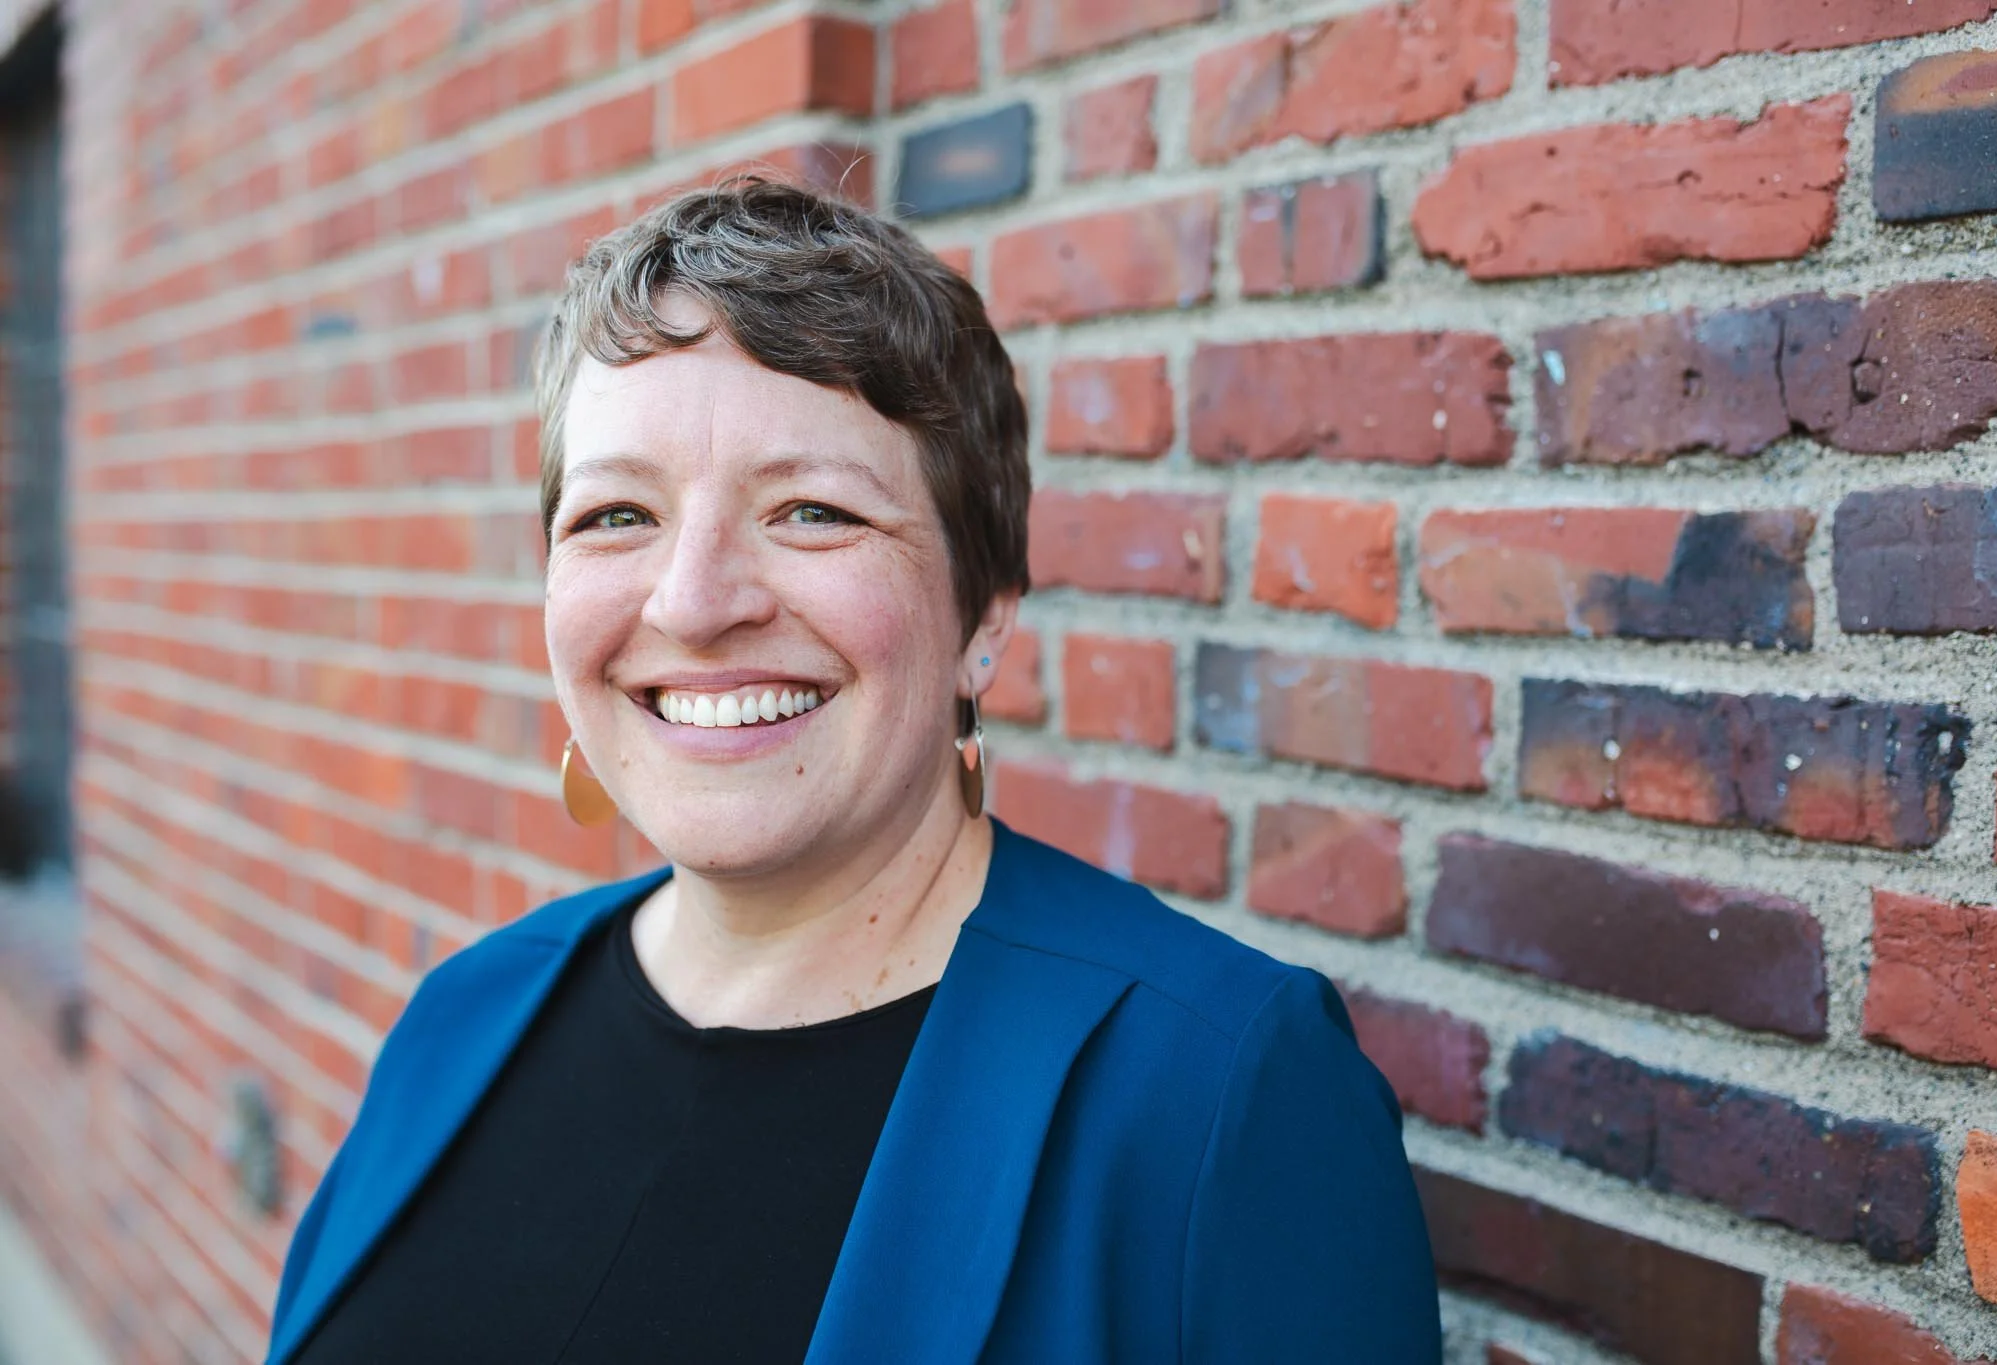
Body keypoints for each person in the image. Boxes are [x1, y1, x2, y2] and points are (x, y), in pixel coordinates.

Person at [263, 178, 1440, 1365]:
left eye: (812, 511)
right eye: (618, 515)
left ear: (982, 616)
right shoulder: (463, 1018)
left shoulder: (1216, 1094)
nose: (693, 603)